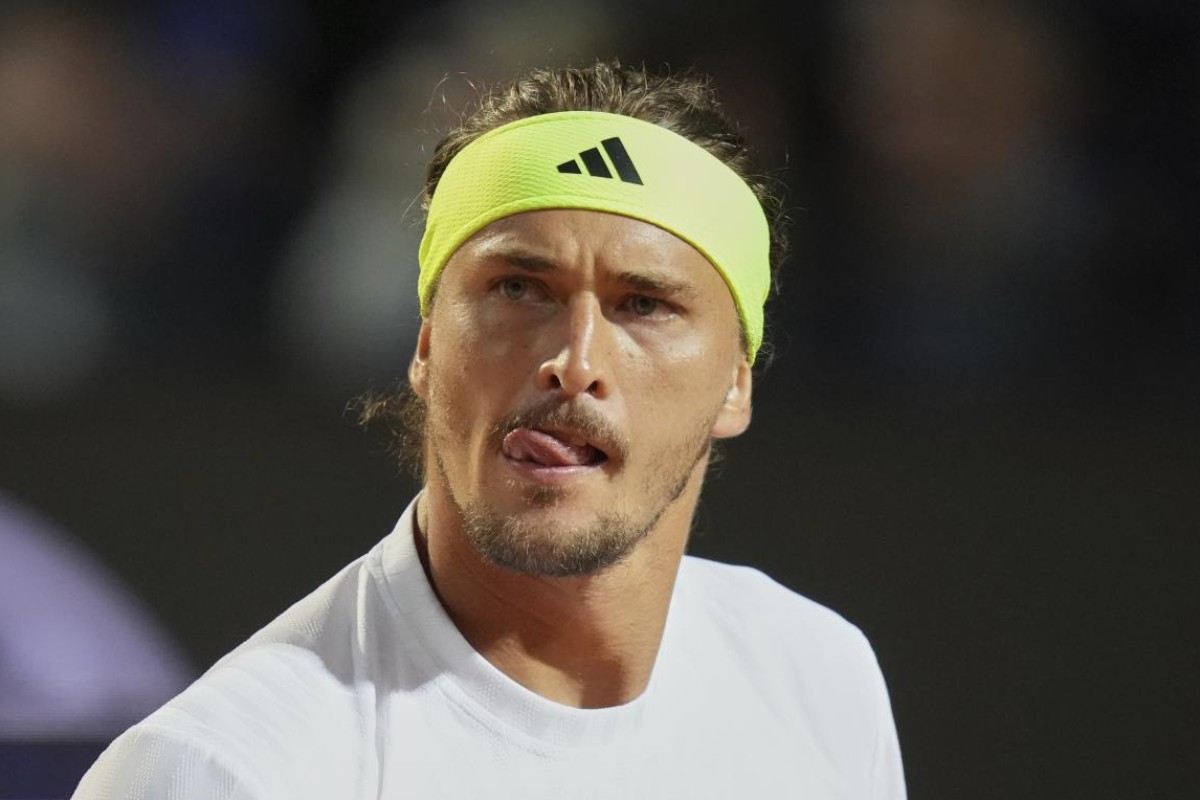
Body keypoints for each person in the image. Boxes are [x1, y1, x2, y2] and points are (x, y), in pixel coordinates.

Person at [73, 61, 906, 799]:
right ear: (428, 344)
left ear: (734, 383)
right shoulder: (217, 772)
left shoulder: (819, 679)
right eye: (518, 289)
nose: (574, 360)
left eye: (643, 304)